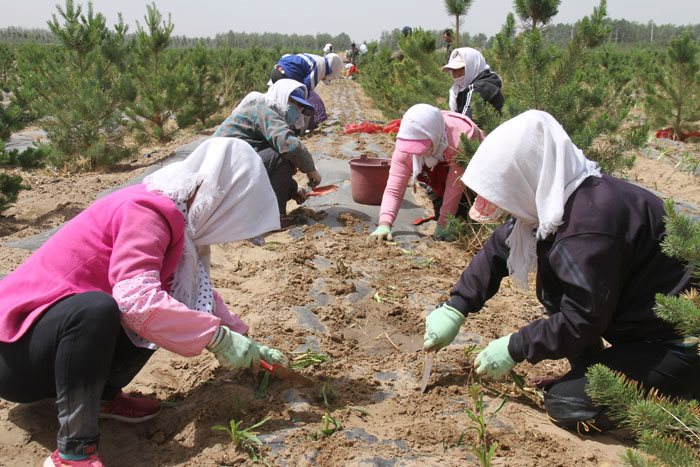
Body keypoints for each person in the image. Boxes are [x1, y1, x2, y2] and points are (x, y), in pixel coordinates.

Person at [0, 138, 291, 467]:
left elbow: (194, 296)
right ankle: (73, 452)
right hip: (15, 355)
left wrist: (243, 338)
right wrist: (217, 338)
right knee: (101, 309)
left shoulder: (178, 221)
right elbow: (136, 300)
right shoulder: (148, 211)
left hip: (51, 349)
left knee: (158, 312)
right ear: (217, 198)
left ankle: (103, 397)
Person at [422, 110, 700, 432]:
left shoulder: (588, 231)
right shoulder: (560, 197)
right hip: (637, 326)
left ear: (528, 174)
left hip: (679, 344)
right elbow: (501, 247)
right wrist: (456, 307)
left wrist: (515, 346)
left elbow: (581, 319)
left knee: (565, 403)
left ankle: (675, 400)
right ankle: (600, 367)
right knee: (555, 286)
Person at [367, 104, 483, 243]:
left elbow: (454, 188)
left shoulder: (461, 138)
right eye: (413, 148)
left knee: (468, 221)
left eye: (421, 147)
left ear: (435, 136)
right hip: (440, 174)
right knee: (444, 213)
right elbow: (394, 190)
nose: (417, 152)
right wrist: (384, 224)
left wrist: (444, 224)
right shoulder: (405, 150)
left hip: (475, 179)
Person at [214, 80, 321, 222]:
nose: (297, 110)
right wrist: (311, 170)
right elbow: (291, 145)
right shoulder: (263, 110)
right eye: (295, 104)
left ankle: (267, 209)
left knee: (288, 182)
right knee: (283, 158)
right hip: (224, 178)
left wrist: (293, 190)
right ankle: (274, 219)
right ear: (281, 97)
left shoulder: (263, 111)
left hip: (228, 175)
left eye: (301, 107)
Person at [269, 52, 342, 131]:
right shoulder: (320, 66)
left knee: (280, 101)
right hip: (285, 75)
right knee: (290, 103)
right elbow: (305, 88)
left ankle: (277, 124)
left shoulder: (316, 58)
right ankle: (289, 127)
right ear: (332, 70)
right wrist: (306, 110)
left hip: (277, 71)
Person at [442, 47, 504, 119]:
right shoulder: (490, 81)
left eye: (461, 69)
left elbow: (465, 123)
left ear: (472, 66)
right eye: (454, 71)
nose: (457, 75)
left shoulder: (477, 89)